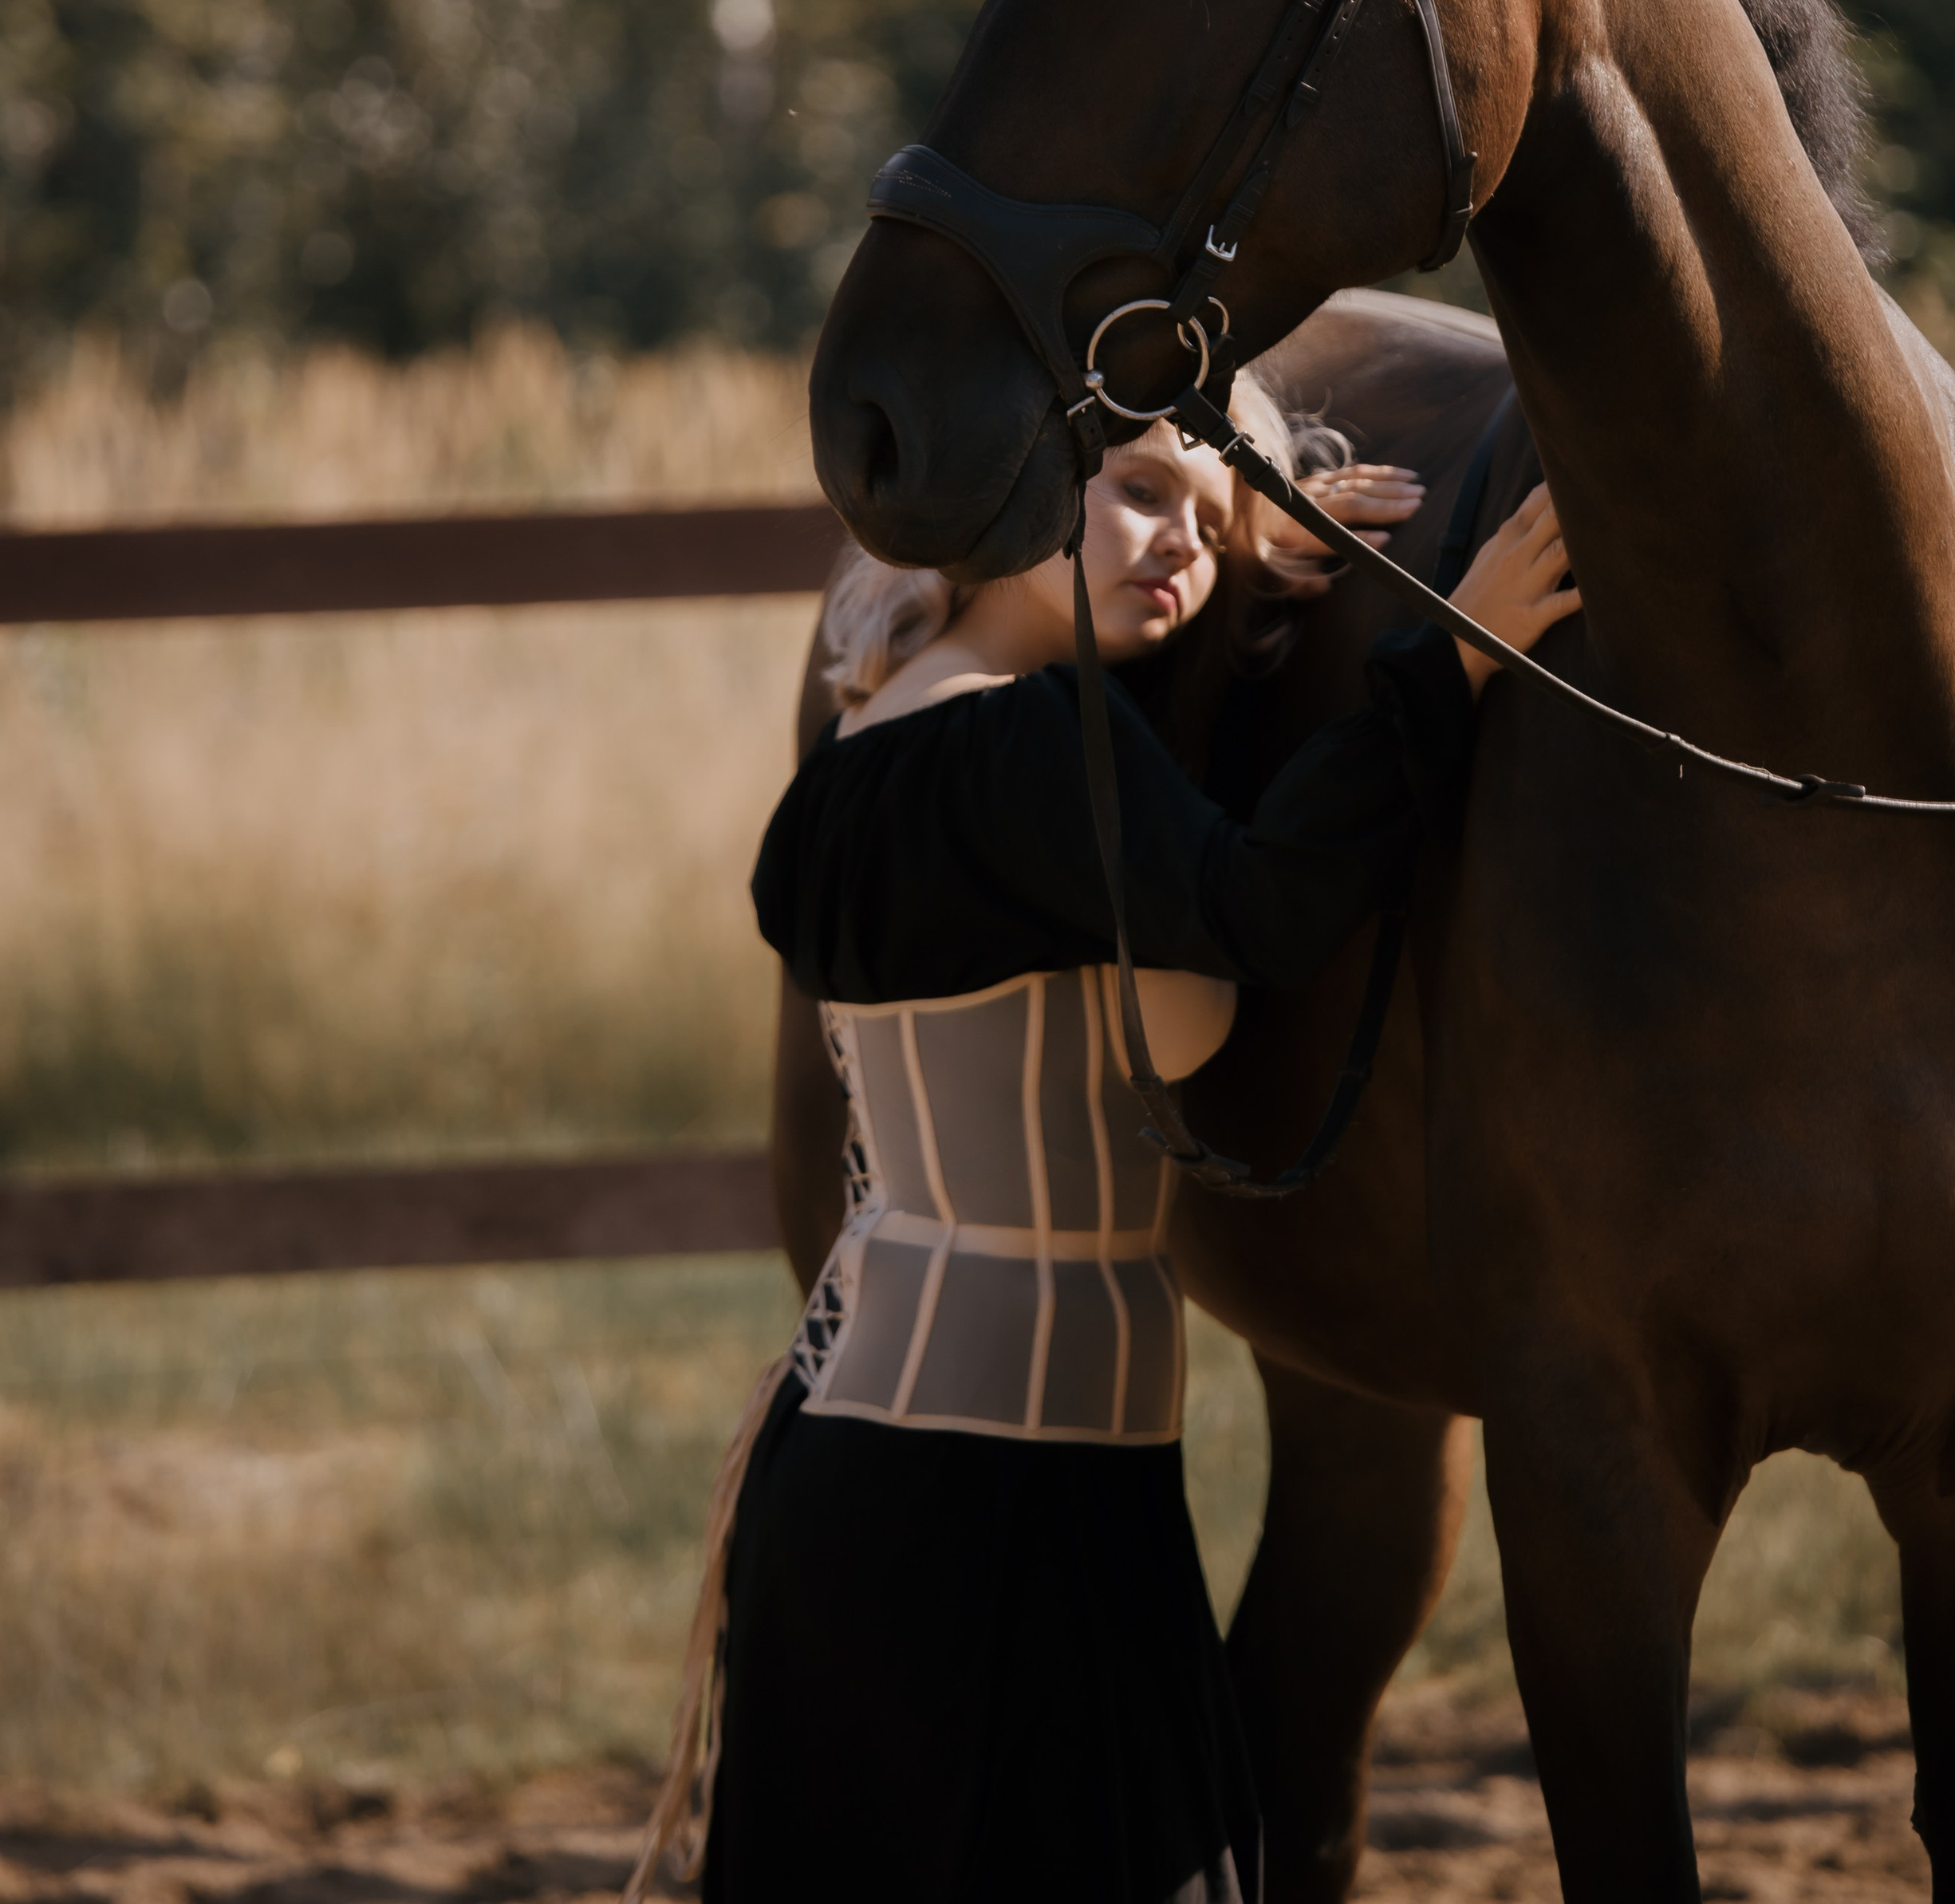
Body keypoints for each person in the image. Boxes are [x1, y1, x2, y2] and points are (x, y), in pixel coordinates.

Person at [629, 371, 1578, 1904]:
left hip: (1048, 1490)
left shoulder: (928, 744)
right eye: (1140, 488)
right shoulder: (1019, 752)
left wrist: (1245, 520)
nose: (1181, 542)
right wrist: (1452, 652)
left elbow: (1168, 862)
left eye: (1210, 525)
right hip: (951, 1514)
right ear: (1005, 486)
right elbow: (1261, 907)